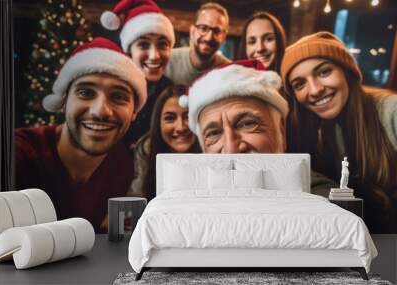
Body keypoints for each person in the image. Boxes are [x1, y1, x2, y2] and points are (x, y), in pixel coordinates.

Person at [15, 38, 147, 233]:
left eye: (118, 96)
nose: (100, 111)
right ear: (63, 100)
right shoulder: (19, 153)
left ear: (134, 111)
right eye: (85, 92)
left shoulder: (123, 164)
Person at [281, 31, 397, 233]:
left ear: (347, 71)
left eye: (324, 72)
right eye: (300, 84)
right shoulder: (327, 131)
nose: (315, 90)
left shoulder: (391, 112)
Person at [179, 59, 338, 194]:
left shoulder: (320, 198)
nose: (231, 149)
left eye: (247, 124)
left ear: (280, 132)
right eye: (213, 133)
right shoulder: (188, 201)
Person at [101, 0, 176, 145]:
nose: (154, 55)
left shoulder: (169, 91)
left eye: (162, 44)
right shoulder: (112, 88)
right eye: (143, 44)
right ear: (129, 51)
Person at [130, 85, 201, 201]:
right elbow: (137, 197)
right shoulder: (146, 151)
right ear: (159, 124)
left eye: (187, 117)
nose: (180, 127)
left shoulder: (214, 150)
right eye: (170, 118)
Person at [164, 2, 231, 85]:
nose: (208, 37)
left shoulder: (228, 70)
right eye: (203, 28)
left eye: (217, 31)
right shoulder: (167, 60)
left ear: (224, 37)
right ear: (192, 31)